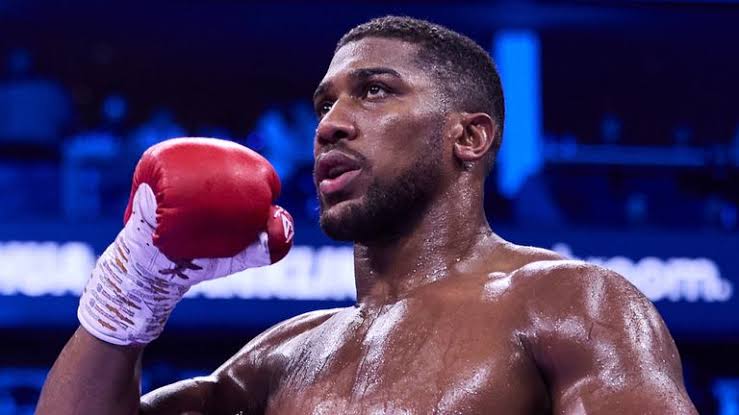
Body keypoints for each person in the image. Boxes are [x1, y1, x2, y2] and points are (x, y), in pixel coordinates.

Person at [37, 16, 697, 414]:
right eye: (324, 104)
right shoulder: (280, 357)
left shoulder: (567, 302)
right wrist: (131, 289)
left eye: (374, 91)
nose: (330, 124)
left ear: (469, 137)